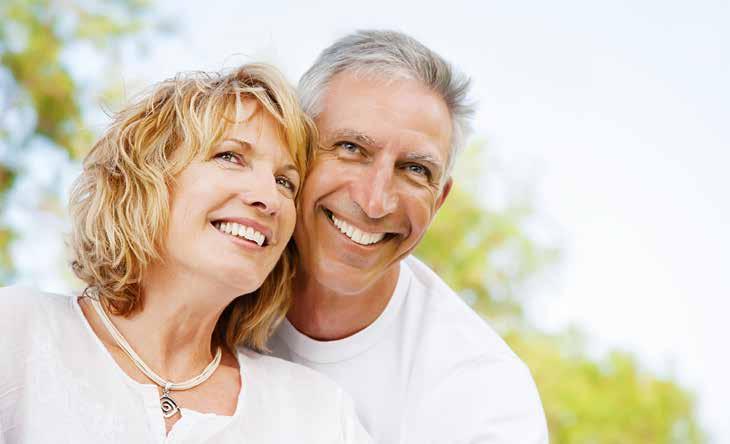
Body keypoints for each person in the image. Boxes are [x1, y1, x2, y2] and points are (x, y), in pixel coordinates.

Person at [0, 64, 371, 443]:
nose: (268, 198)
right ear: (146, 178)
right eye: (230, 157)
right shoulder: (17, 332)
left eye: (284, 182)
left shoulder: (318, 413)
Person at [269, 30, 549, 443]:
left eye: (415, 170)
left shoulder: (485, 396)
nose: (374, 202)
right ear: (295, 147)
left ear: (439, 200)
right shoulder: (210, 288)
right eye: (351, 148)